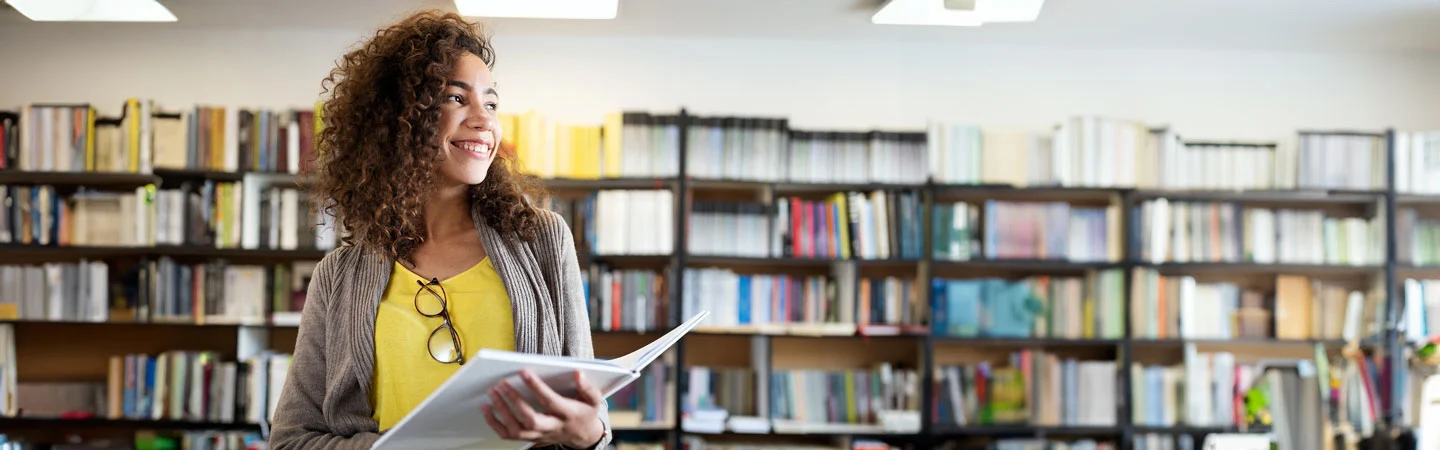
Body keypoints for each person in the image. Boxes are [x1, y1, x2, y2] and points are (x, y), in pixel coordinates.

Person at [269, 10, 610, 450]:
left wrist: (592, 434)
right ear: (398, 119)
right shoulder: (339, 276)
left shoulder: (542, 239)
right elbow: (291, 440)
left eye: (490, 103)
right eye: (455, 98)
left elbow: (590, 416)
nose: (484, 120)